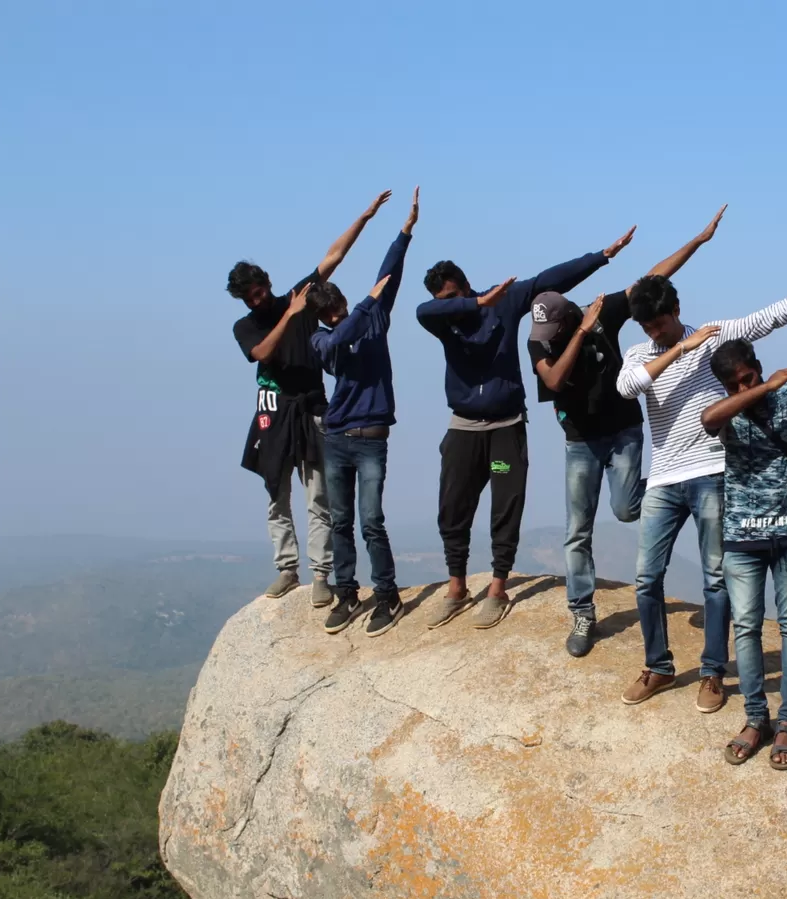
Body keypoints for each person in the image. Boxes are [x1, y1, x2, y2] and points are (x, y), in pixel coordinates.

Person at [615, 240, 787, 713]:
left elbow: (773, 315)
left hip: (713, 472)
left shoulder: (714, 336)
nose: (655, 331)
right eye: (647, 326)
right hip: (664, 477)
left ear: (677, 308)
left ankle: (713, 672)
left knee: (717, 579)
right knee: (646, 578)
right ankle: (658, 665)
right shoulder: (640, 355)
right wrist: (678, 350)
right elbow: (628, 387)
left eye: (661, 322)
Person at [528, 208, 727, 658]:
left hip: (623, 431)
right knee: (577, 529)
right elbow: (555, 381)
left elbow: (652, 279)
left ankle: (668, 495)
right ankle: (582, 610)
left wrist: (698, 240)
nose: (544, 336)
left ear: (568, 316)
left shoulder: (603, 315)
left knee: (623, 509)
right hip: (579, 440)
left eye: (553, 328)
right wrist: (578, 334)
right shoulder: (541, 340)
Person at [416, 226, 636, 631]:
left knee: (506, 503)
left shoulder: (504, 302)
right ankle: (456, 587)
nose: (450, 307)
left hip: (504, 428)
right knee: (453, 506)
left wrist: (601, 256)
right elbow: (422, 312)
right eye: (443, 302)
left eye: (454, 297)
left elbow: (548, 281)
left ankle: (498, 588)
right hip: (463, 429)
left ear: (465, 284)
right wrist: (469, 303)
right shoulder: (443, 320)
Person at [230, 190, 392, 609]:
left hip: (315, 408)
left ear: (267, 281)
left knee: (318, 495)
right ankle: (287, 568)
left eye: (260, 290)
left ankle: (321, 574)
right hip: (273, 410)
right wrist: (289, 313)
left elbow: (334, 255)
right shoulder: (247, 325)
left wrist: (366, 217)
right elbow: (262, 353)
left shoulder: (298, 296)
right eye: (250, 296)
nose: (257, 299)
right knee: (275, 493)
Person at [306, 188, 418, 638]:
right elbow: (335, 342)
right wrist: (365, 304)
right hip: (336, 439)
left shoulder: (371, 317)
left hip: (371, 437)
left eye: (341, 306)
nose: (341, 313)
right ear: (325, 315)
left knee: (370, 519)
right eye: (334, 312)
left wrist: (405, 232)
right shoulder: (321, 339)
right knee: (340, 520)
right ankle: (348, 592)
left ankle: (387, 595)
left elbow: (388, 277)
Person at [700, 343, 787, 769]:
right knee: (746, 627)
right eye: (732, 385)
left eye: (747, 378)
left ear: (758, 367)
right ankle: (755, 719)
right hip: (742, 537)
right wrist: (760, 388)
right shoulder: (726, 409)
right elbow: (708, 419)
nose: (742, 388)